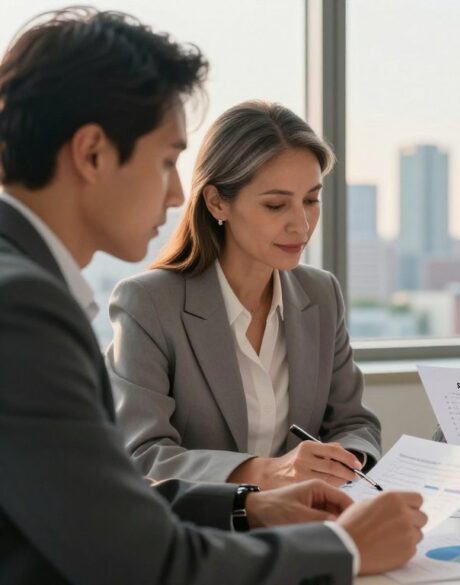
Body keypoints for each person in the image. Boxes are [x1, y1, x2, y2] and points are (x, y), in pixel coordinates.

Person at [0, 8, 424, 584]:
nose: (178, 192)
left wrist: (247, 506)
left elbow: (92, 503)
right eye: (168, 159)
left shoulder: (25, 289)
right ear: (93, 152)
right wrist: (344, 551)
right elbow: (138, 553)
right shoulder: (23, 306)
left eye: (311, 199)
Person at [107, 100, 381, 489]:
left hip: (306, 524)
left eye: (311, 200)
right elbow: (142, 454)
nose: (301, 225)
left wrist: (343, 462)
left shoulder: (321, 293)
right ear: (218, 201)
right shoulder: (148, 304)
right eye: (275, 205)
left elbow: (354, 423)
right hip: (202, 534)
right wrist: (268, 473)